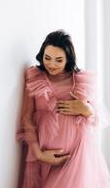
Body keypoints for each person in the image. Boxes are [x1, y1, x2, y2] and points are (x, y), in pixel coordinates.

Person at [16, 29, 110, 188]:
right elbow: (27, 117)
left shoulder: (80, 81)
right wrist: (39, 154)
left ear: (68, 59)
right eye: (47, 58)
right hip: (45, 158)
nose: (51, 64)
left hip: (77, 156)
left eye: (58, 60)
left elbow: (98, 117)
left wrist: (85, 109)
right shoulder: (35, 78)